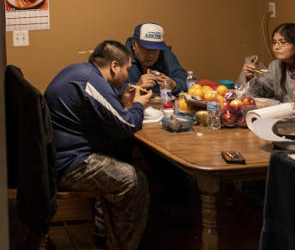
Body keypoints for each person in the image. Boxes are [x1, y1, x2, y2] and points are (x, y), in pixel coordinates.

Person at [45, 40, 152, 249]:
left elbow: (109, 117)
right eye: (127, 69)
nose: (128, 75)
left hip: (61, 154)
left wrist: (124, 103)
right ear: (114, 66)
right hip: (69, 163)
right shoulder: (90, 81)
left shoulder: (83, 72)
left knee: (120, 160)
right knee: (133, 181)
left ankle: (104, 235)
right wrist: (138, 106)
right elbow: (127, 123)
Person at [122, 22, 189, 96]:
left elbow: (187, 82)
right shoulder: (120, 56)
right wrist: (136, 86)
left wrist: (174, 85)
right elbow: (112, 91)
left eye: (155, 50)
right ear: (134, 44)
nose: (151, 55)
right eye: (146, 49)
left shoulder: (164, 52)